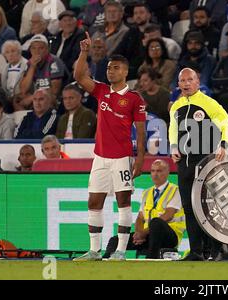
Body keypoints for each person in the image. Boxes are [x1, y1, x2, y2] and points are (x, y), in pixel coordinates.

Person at [73, 33, 147, 261]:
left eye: (115, 68)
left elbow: (141, 131)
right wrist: (84, 52)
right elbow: (78, 76)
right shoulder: (102, 91)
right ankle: (94, 250)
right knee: (94, 202)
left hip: (122, 158)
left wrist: (141, 158)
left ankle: (121, 251)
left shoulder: (135, 99)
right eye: (108, 67)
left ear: (125, 72)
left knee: (123, 202)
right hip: (100, 158)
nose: (110, 71)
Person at [169, 67, 228, 261]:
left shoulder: (208, 103)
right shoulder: (176, 106)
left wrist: (223, 144)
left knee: (209, 208)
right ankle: (196, 251)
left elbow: (226, 124)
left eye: (190, 80)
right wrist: (173, 146)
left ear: (198, 82)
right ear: (178, 84)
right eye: (183, 80)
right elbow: (173, 128)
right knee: (189, 208)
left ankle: (217, 250)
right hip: (185, 164)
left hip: (205, 162)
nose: (186, 84)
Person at [105, 159, 186, 259]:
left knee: (156, 222)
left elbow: (168, 215)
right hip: (148, 234)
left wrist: (144, 232)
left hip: (170, 236)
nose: (155, 174)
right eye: (153, 171)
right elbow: (140, 218)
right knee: (115, 240)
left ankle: (150, 259)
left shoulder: (176, 190)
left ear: (167, 173)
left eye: (159, 171)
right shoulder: (147, 192)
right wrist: (139, 233)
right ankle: (105, 260)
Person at [19, 34, 67, 99]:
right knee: (18, 100)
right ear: (30, 50)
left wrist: (32, 98)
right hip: (38, 98)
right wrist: (32, 67)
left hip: (55, 99)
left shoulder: (54, 62)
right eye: (34, 48)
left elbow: (55, 91)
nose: (37, 52)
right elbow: (23, 90)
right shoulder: (29, 64)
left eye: (41, 48)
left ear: (47, 49)